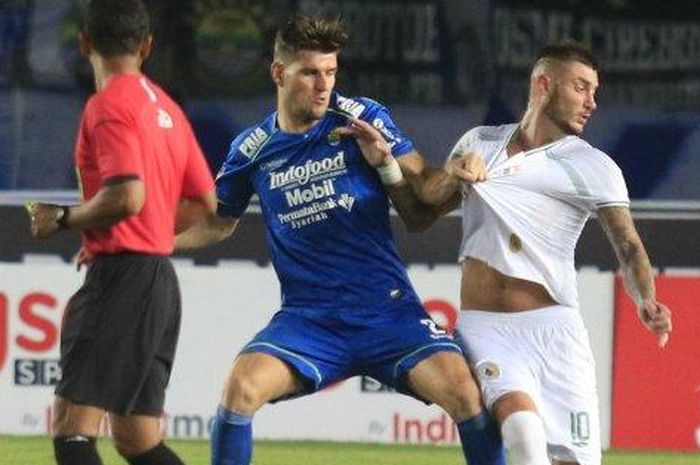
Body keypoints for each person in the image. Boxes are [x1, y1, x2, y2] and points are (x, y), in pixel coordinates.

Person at [175, 14, 504, 465]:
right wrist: (153, 241)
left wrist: (456, 171)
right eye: (310, 72)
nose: (323, 84)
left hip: (388, 314)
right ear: (279, 73)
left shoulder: (361, 118)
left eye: (330, 72)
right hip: (310, 321)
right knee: (240, 389)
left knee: (466, 395)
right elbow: (217, 222)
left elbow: (423, 185)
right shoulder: (251, 149)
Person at [387, 40, 673, 465]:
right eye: (581, 87)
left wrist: (645, 297)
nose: (591, 102)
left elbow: (628, 245)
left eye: (595, 91)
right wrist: (422, 169)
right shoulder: (479, 143)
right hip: (487, 328)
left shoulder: (593, 165)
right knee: (522, 432)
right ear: (544, 84)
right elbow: (419, 212)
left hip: (556, 332)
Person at [26, 1, 216, 465]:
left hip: (121, 281)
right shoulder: (165, 107)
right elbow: (204, 204)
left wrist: (65, 218)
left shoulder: (107, 104)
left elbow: (127, 194)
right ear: (146, 46)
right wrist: (149, 237)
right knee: (137, 438)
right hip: (157, 281)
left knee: (73, 429)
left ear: (84, 42)